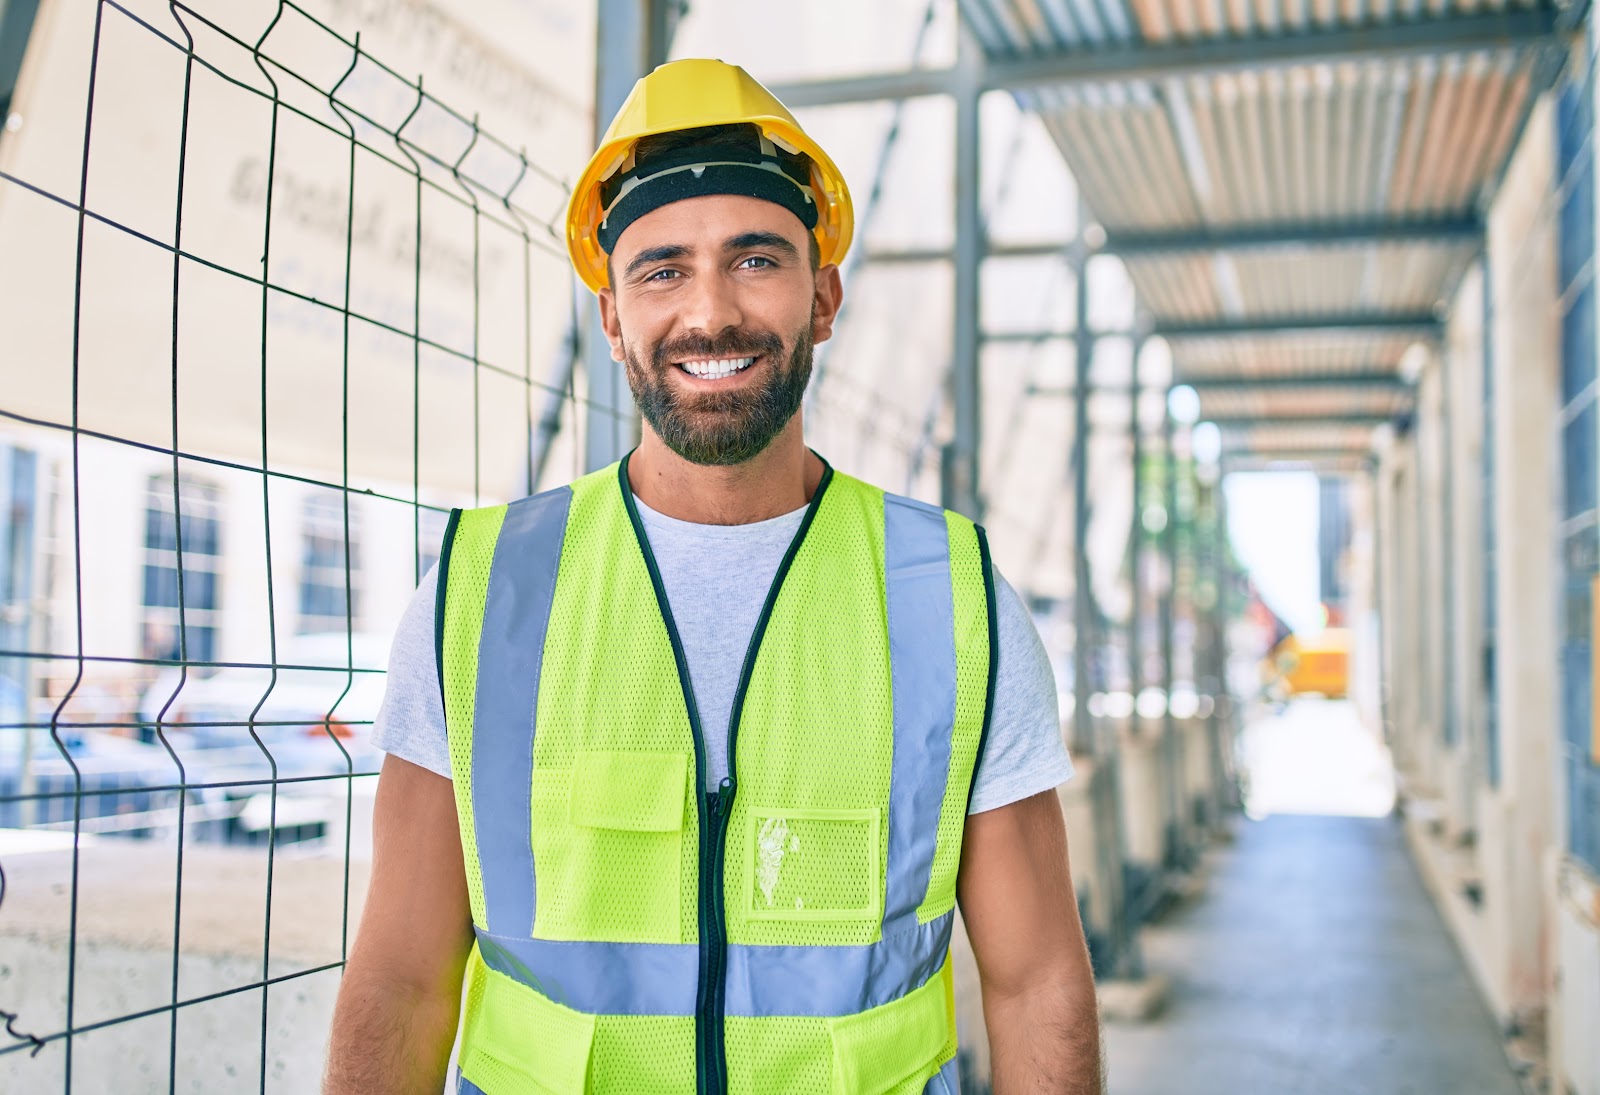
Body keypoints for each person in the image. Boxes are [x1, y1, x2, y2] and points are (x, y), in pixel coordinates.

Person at [324, 58, 1102, 1095]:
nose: (710, 313)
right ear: (611, 318)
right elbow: (402, 984)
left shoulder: (949, 597)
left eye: (754, 260)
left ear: (821, 297)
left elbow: (1037, 978)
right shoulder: (482, 594)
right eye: (661, 270)